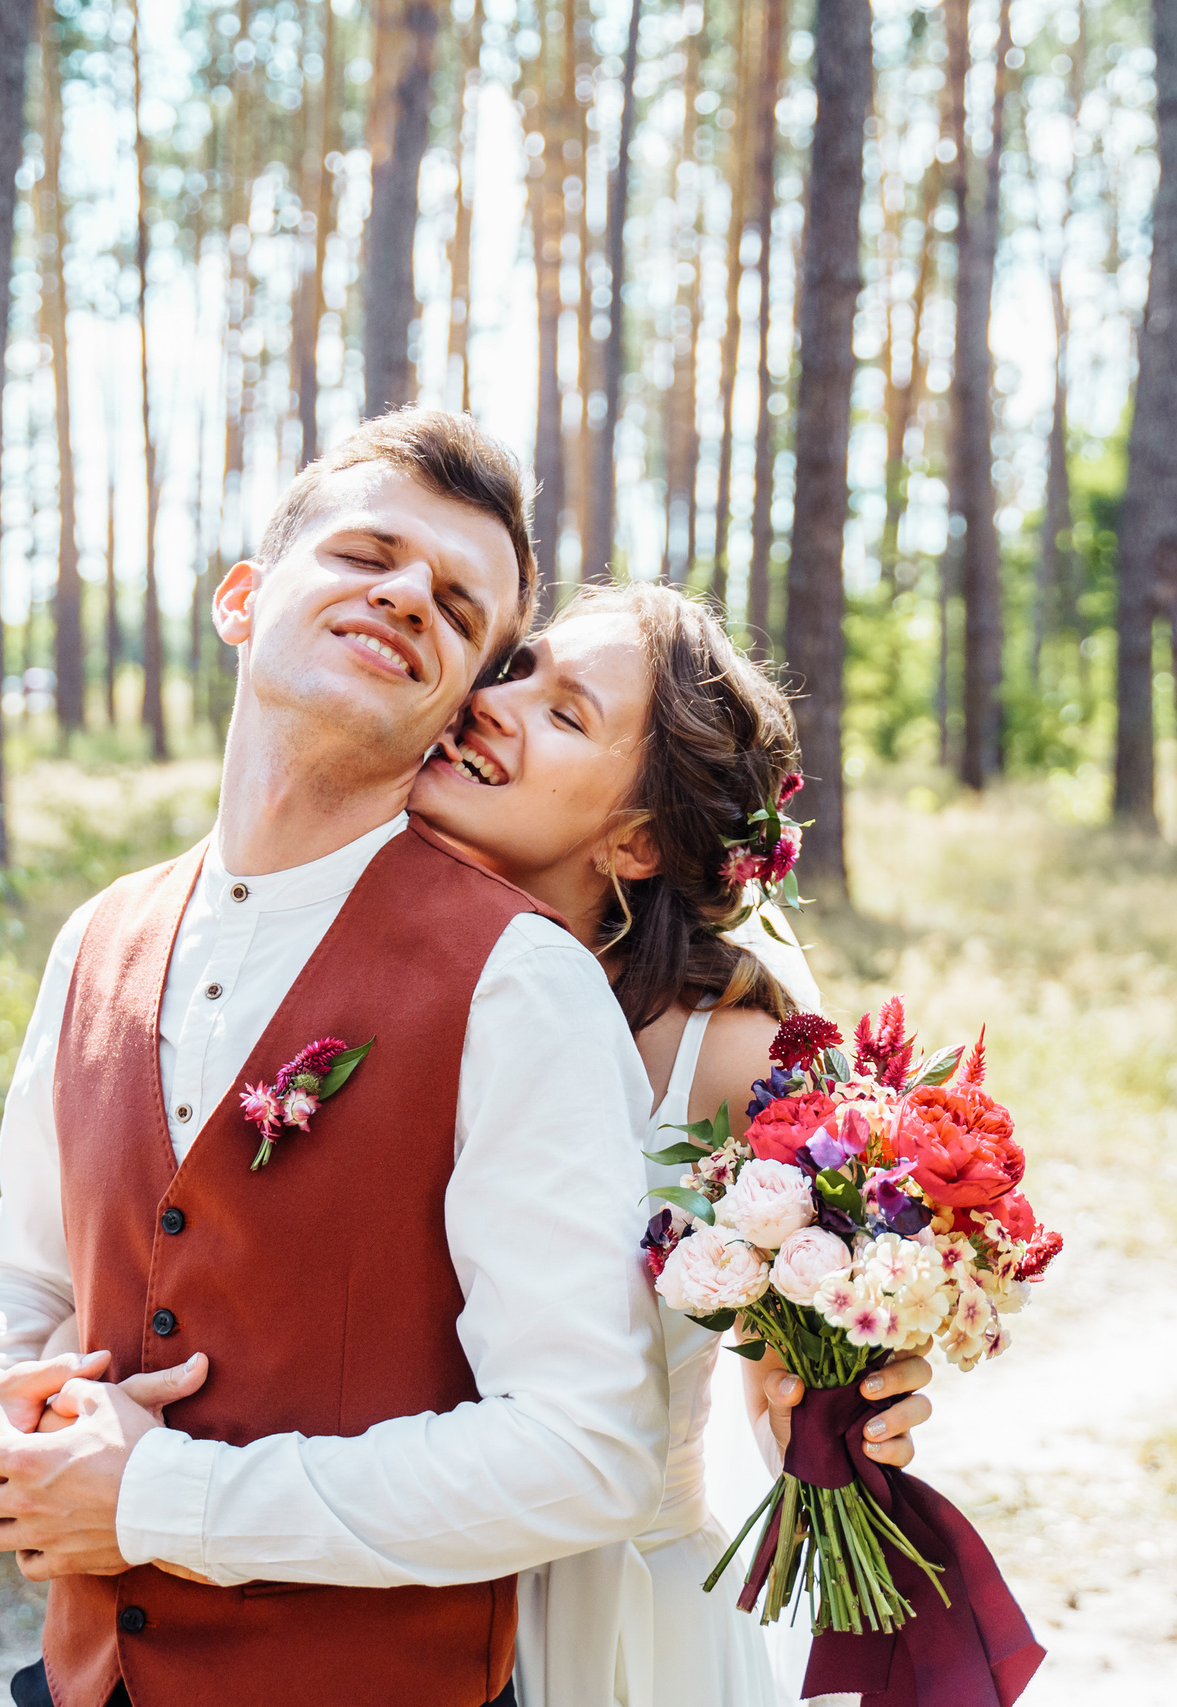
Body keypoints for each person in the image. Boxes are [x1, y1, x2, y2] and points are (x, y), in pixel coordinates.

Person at [0, 410, 673, 1707]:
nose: (404, 597)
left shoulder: (519, 982)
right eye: (365, 552)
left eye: (456, 603)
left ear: (455, 699)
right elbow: (23, 1266)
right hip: (85, 1673)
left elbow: (588, 1445)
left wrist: (167, 1498)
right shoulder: (96, 935)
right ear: (243, 597)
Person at [406, 582, 935, 1706]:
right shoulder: (390, 966)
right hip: (391, 1577)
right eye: (518, 670)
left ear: (636, 841)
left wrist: (835, 1406)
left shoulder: (731, 1057)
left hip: (620, 1623)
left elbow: (775, 1350)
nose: (494, 705)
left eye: (566, 714)